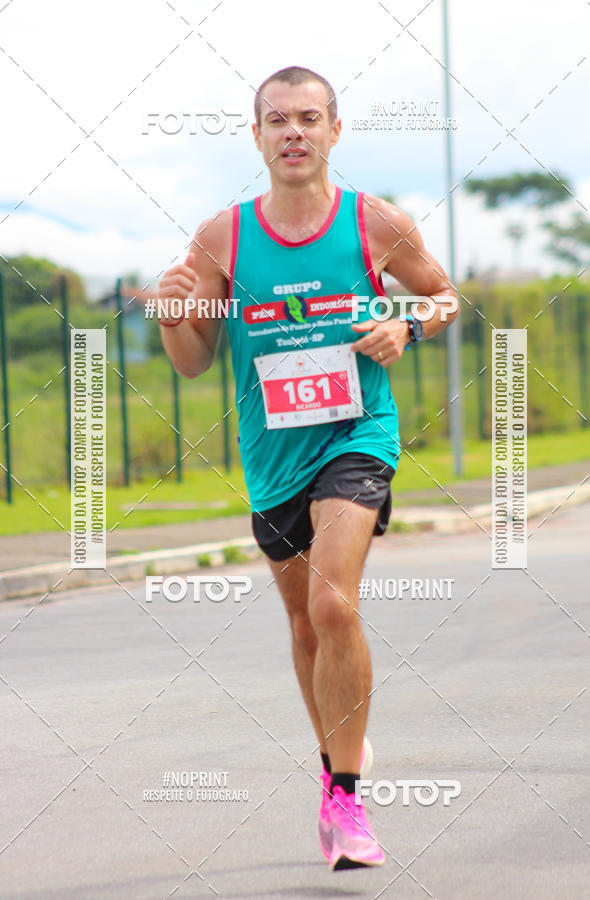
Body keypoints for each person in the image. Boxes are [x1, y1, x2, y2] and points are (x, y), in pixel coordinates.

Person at [157, 65, 459, 870]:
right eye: (277, 120)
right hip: (272, 456)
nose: (294, 131)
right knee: (303, 625)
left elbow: (444, 296)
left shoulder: (374, 222)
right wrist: (172, 316)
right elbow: (192, 361)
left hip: (358, 435)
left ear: (333, 131)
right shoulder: (222, 237)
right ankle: (332, 779)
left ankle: (348, 801)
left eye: (309, 118)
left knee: (332, 606)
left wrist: (407, 327)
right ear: (256, 137)